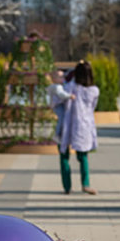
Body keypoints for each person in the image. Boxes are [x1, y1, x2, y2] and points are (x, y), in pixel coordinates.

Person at [49, 60, 100, 194]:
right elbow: (92, 108)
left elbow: (55, 103)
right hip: (84, 126)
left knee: (64, 155)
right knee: (83, 157)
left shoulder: (68, 88)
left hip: (66, 124)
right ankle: (86, 184)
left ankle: (67, 187)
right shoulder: (94, 91)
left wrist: (60, 113)